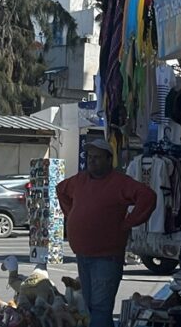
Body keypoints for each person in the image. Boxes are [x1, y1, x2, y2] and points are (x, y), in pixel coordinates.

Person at [57, 139, 157, 327]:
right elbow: (60, 189)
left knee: (100, 308)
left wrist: (129, 222)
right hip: (83, 254)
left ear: (109, 160)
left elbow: (148, 197)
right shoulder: (80, 179)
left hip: (107, 257)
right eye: (89, 157)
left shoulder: (120, 182)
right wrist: (71, 215)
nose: (92, 161)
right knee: (90, 307)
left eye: (97, 157)